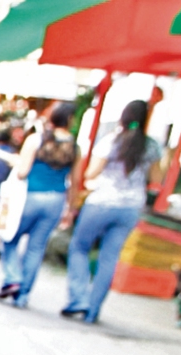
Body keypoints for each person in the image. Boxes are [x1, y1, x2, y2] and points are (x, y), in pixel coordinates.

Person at [62, 100, 163, 323]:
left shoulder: (111, 141)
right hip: (130, 206)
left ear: (123, 117)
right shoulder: (152, 146)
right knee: (109, 258)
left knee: (80, 247)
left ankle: (79, 299)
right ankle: (93, 309)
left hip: (102, 202)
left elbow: (91, 173)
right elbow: (157, 179)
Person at [0, 103, 80, 306]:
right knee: (36, 247)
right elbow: (76, 181)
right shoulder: (75, 148)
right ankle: (23, 295)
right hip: (56, 200)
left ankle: (12, 277)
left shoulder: (36, 139)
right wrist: (70, 209)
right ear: (70, 121)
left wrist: (15, 162)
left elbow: (22, 171)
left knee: (10, 238)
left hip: (29, 197)